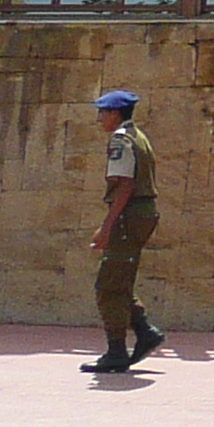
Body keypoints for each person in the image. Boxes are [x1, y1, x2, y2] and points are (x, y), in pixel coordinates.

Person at [84, 90, 167, 374]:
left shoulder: (121, 139)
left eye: (103, 113)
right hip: (141, 213)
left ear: (115, 113)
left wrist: (107, 226)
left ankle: (117, 350)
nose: (100, 119)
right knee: (118, 280)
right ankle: (144, 331)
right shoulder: (138, 136)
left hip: (129, 216)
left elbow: (125, 185)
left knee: (108, 286)